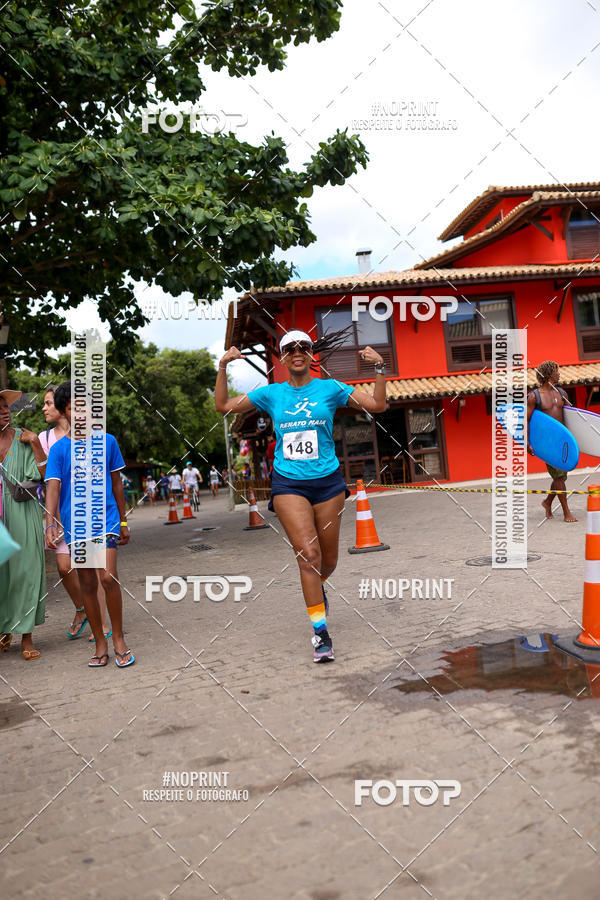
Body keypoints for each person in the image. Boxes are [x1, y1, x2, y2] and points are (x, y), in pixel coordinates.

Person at [215, 329, 387, 663]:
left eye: (303, 347)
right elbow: (223, 405)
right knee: (308, 556)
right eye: (290, 349)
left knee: (328, 561)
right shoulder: (271, 394)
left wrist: (379, 368)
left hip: (328, 484)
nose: (297, 352)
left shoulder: (330, 388)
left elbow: (378, 405)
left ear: (310, 354)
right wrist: (223, 367)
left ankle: (316, 589)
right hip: (288, 484)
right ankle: (321, 634)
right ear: (282, 357)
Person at [45, 381, 135, 668]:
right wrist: (50, 523)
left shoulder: (108, 441)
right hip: (76, 525)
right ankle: (100, 642)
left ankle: (118, 638)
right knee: (86, 582)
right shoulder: (59, 450)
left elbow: (117, 484)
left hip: (106, 519)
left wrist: (123, 521)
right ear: (65, 412)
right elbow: (53, 487)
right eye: (74, 408)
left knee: (107, 577)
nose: (81, 412)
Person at [39, 386, 111, 641]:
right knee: (64, 567)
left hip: (85, 515)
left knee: (94, 568)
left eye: (49, 403)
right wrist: (51, 521)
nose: (45, 408)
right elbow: (48, 480)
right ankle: (83, 610)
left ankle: (102, 624)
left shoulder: (93, 436)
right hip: (60, 516)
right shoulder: (46, 439)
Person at [0, 389, 47, 659]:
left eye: (6, 407)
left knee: (27, 571)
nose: (5, 412)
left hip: (23, 510)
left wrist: (36, 443)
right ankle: (4, 629)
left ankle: (27, 636)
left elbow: (43, 474)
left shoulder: (24, 437)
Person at [527, 361, 577, 523]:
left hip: (562, 441)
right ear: (549, 375)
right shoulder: (534, 396)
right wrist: (528, 443)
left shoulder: (562, 393)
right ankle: (566, 513)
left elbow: (571, 416)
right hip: (547, 443)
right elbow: (526, 421)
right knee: (559, 477)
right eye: (557, 371)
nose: (559, 374)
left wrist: (574, 438)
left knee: (560, 477)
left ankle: (547, 502)